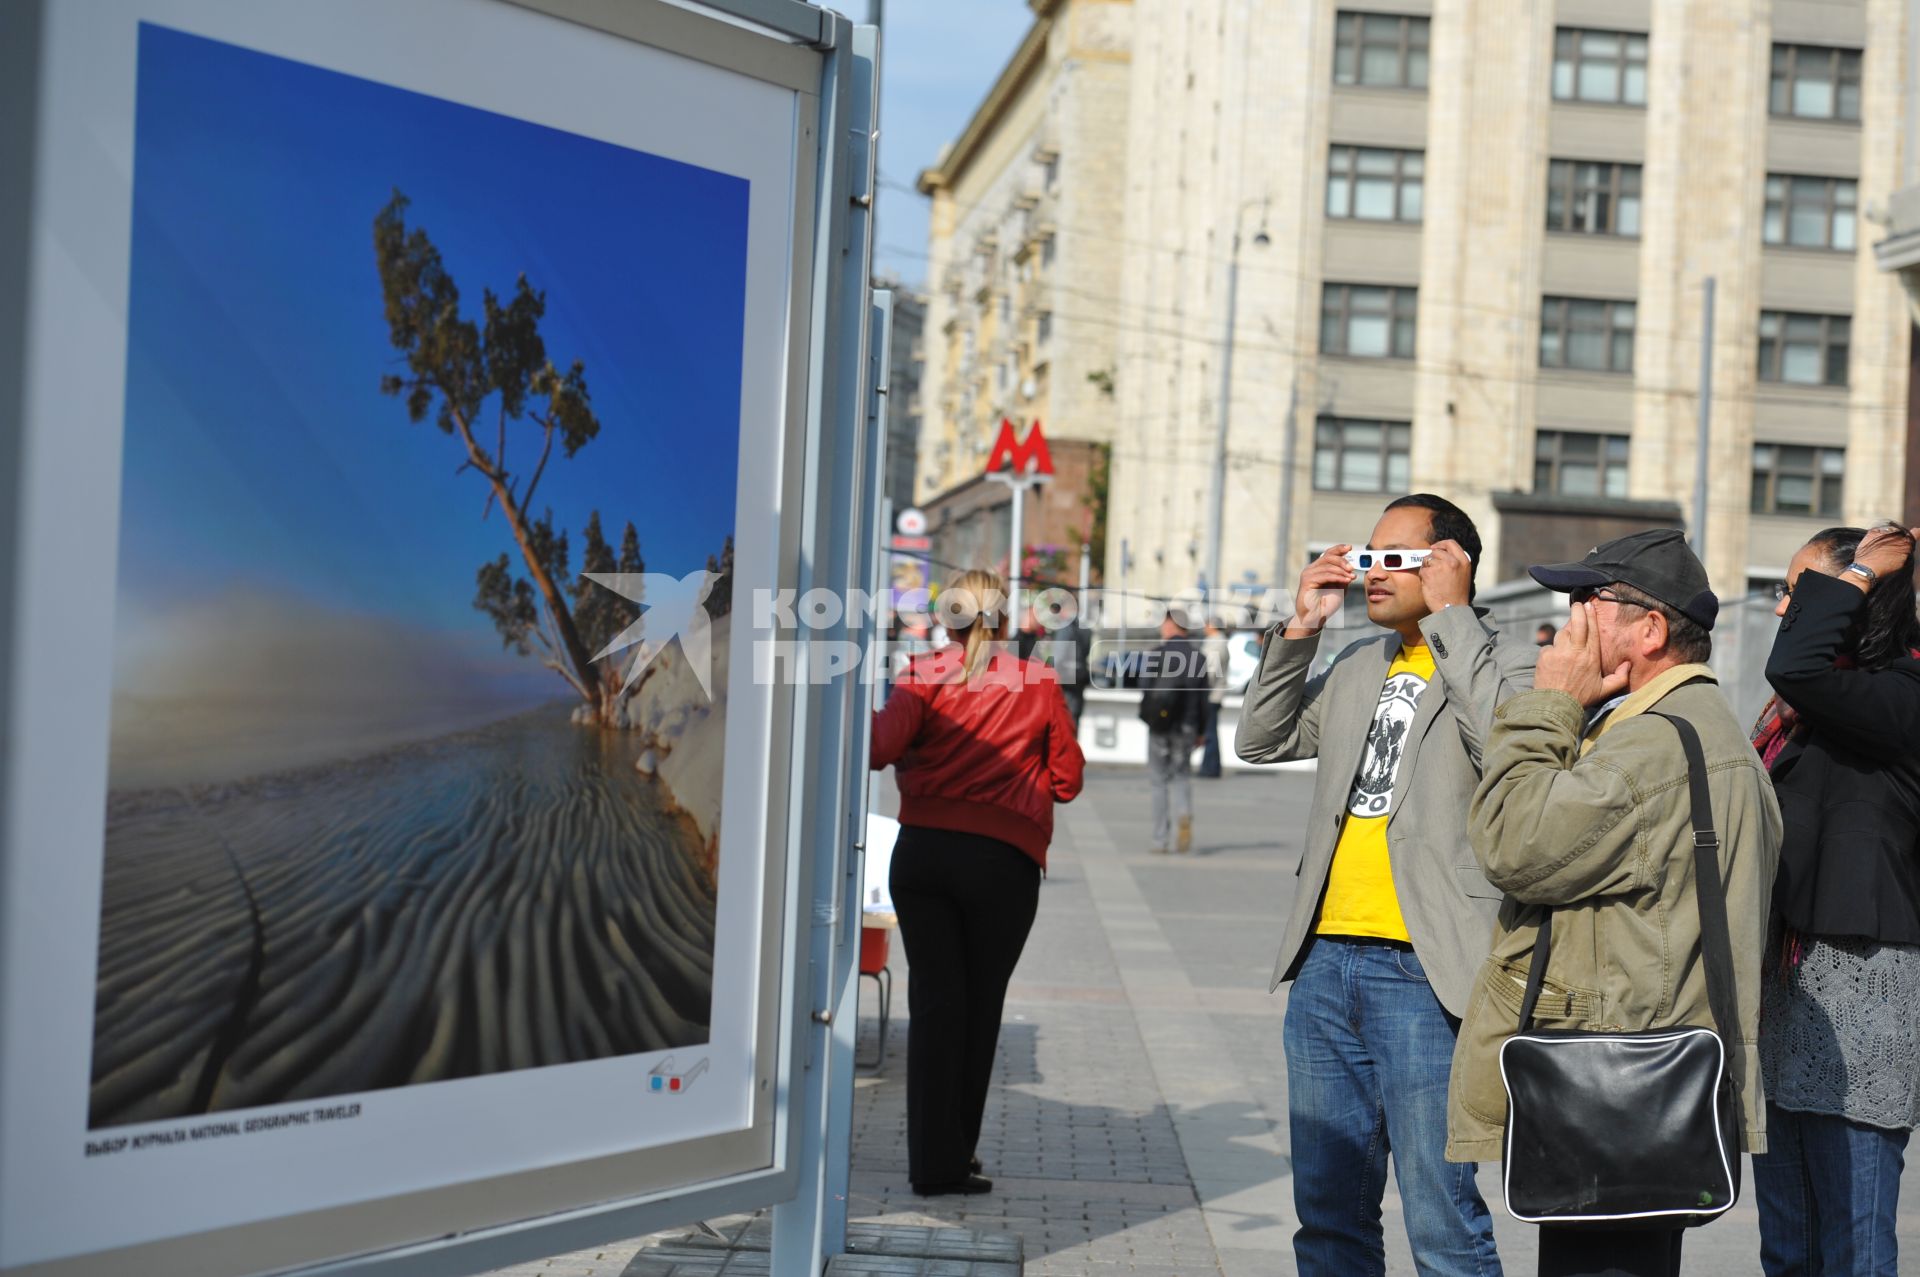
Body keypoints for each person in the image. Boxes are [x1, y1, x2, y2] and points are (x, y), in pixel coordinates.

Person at [1448, 528, 1782, 1277]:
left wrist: (1549, 705)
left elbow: (1510, 842)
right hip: (1654, 1081)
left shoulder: (1651, 749)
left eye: (1586, 601)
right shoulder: (1697, 727)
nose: (1568, 623)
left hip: (1610, 1089)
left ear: (1650, 629)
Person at [1237, 493, 1535, 1277]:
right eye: (1366, 556)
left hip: (1426, 974)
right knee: (1328, 1216)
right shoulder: (1356, 662)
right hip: (1326, 963)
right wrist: (1300, 629)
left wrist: (1454, 621)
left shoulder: (1505, 660)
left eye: (1393, 559)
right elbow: (1261, 738)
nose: (1370, 573)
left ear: (1450, 566)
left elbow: (1511, 752)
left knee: (1441, 1219)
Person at [870, 568, 1086, 1196]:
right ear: (1004, 616)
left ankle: (931, 1167)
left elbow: (882, 744)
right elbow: (1068, 781)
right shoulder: (1037, 681)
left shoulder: (921, 674)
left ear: (947, 617)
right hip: (1003, 861)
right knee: (980, 1007)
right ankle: (958, 1156)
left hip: (924, 854)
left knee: (935, 1007)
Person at [1750, 523, 1920, 1277]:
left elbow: (1795, 662)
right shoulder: (1807, 713)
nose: (1788, 605)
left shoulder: (1900, 695)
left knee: (1854, 1249)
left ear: (1860, 600)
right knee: (1789, 1247)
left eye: (1800, 588)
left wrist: (1853, 572)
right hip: (1788, 988)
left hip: (1864, 991)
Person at [1140, 611, 1207, 852]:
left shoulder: (1156, 654)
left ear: (1170, 625)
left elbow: (1144, 689)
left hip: (1159, 727)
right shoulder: (1199, 659)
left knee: (1158, 781)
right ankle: (1184, 813)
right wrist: (1201, 730)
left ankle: (1159, 840)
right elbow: (1203, 700)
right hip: (1187, 727)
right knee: (1181, 777)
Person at [1197, 616, 1231, 778]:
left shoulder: (1216, 643)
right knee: (1210, 732)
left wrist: (1199, 688)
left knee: (1209, 734)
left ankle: (1210, 768)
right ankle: (1210, 766)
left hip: (1210, 695)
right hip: (1214, 694)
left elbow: (1210, 671)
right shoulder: (1218, 642)